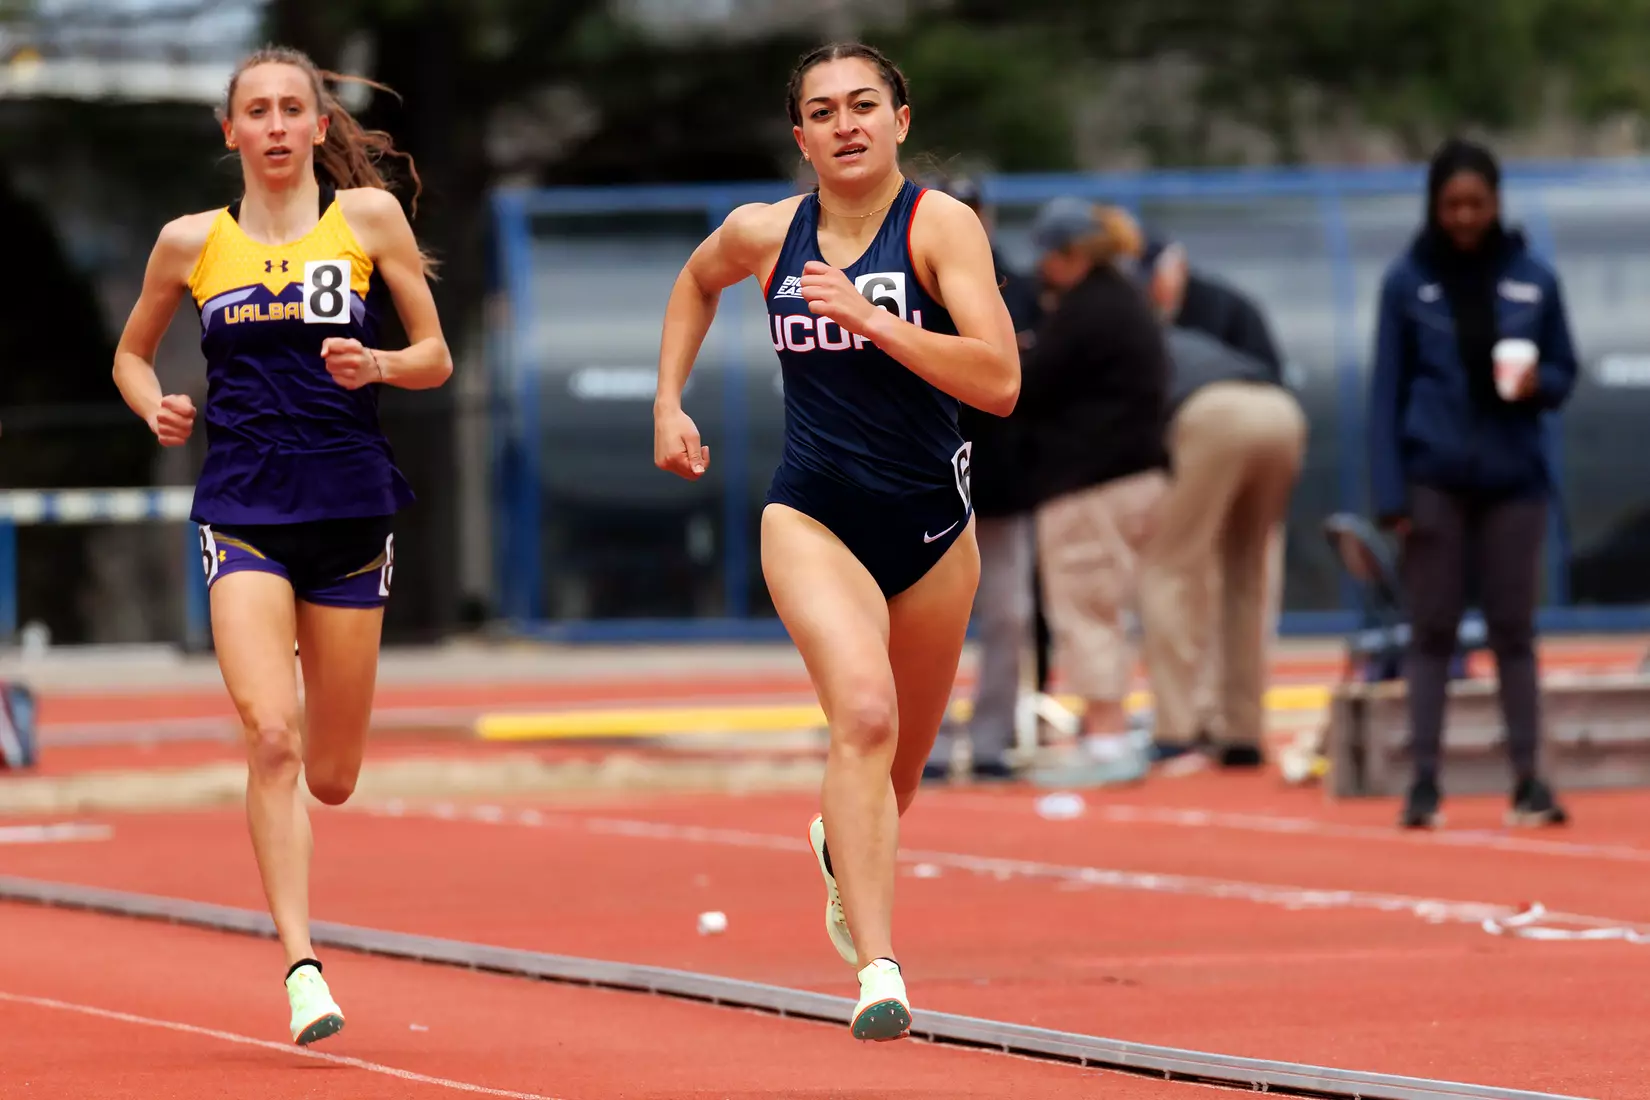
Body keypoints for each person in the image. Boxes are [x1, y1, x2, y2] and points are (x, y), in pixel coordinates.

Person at [652, 42, 1018, 1041]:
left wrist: (873, 319)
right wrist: (668, 399)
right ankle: (879, 967)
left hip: (934, 533)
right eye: (823, 111)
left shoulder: (940, 226)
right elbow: (695, 282)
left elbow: (998, 381)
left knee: (896, 778)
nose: (845, 124)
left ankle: (838, 843)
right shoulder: (766, 232)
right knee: (861, 714)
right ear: (801, 136)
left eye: (864, 105)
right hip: (812, 517)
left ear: (901, 121)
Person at [111, 46, 452, 1044]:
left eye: (289, 108)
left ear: (316, 126)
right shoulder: (190, 242)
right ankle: (303, 965)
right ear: (231, 131)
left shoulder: (369, 221)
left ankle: (310, 862)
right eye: (254, 110)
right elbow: (131, 353)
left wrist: (377, 362)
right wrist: (155, 404)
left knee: (331, 774)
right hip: (242, 512)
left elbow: (435, 356)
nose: (272, 124)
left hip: (349, 515)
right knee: (271, 738)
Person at [1368, 137, 1575, 830]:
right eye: (1452, 204)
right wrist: (1390, 495)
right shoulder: (1406, 283)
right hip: (1435, 480)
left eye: (1476, 204)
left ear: (1496, 204)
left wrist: (1538, 382)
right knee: (1432, 630)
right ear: (1434, 204)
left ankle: (1528, 779)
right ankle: (1424, 782)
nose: (1463, 217)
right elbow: (1385, 393)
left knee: (1515, 630)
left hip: (1515, 480)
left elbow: (1566, 371)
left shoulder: (1534, 279)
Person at [1014, 198, 1172, 788]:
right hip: (1138, 477)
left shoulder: (1087, 309)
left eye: (1048, 256)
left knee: (1085, 607)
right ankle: (1114, 730)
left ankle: (1106, 738)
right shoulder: (1127, 298)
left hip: (1091, 482)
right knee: (1112, 606)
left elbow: (1027, 386)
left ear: (1070, 254)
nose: (1042, 268)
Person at [914, 174, 1042, 783]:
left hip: (1001, 477)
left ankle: (992, 739)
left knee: (1009, 614)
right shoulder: (904, 276)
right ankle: (930, 741)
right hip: (927, 473)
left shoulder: (1017, 284)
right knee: (928, 617)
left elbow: (1025, 380)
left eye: (972, 209)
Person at [1137, 327, 1306, 767]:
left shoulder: (1130, 342)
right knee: (1246, 574)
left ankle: (1174, 729)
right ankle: (1242, 732)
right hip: (1282, 413)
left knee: (1168, 570)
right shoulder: (1193, 341)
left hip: (1212, 414)